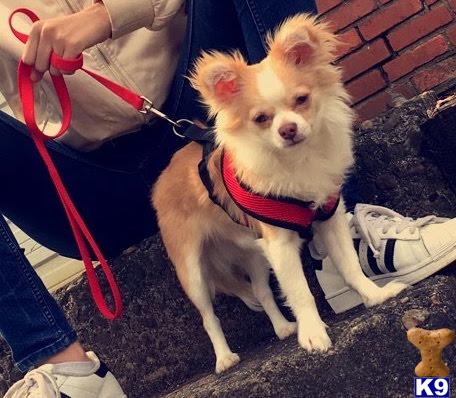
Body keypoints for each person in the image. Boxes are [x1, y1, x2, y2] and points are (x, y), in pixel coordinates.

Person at [1, 0, 455, 396]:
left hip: (198, 115)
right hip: (87, 181)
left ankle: (346, 232)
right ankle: (62, 365)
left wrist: (107, 16)